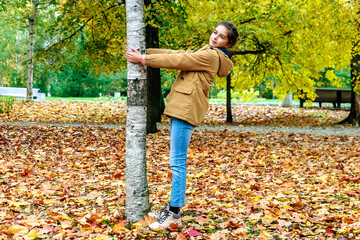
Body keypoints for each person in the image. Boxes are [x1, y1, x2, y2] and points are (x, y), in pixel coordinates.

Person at [126, 21, 238, 231]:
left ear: (228, 44)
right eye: (215, 32)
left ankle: (174, 215)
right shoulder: (210, 51)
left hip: (186, 110)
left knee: (178, 163)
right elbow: (177, 52)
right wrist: (145, 50)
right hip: (184, 107)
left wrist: (143, 59)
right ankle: (171, 210)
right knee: (177, 162)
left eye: (221, 36)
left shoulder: (211, 56)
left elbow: (179, 59)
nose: (215, 37)